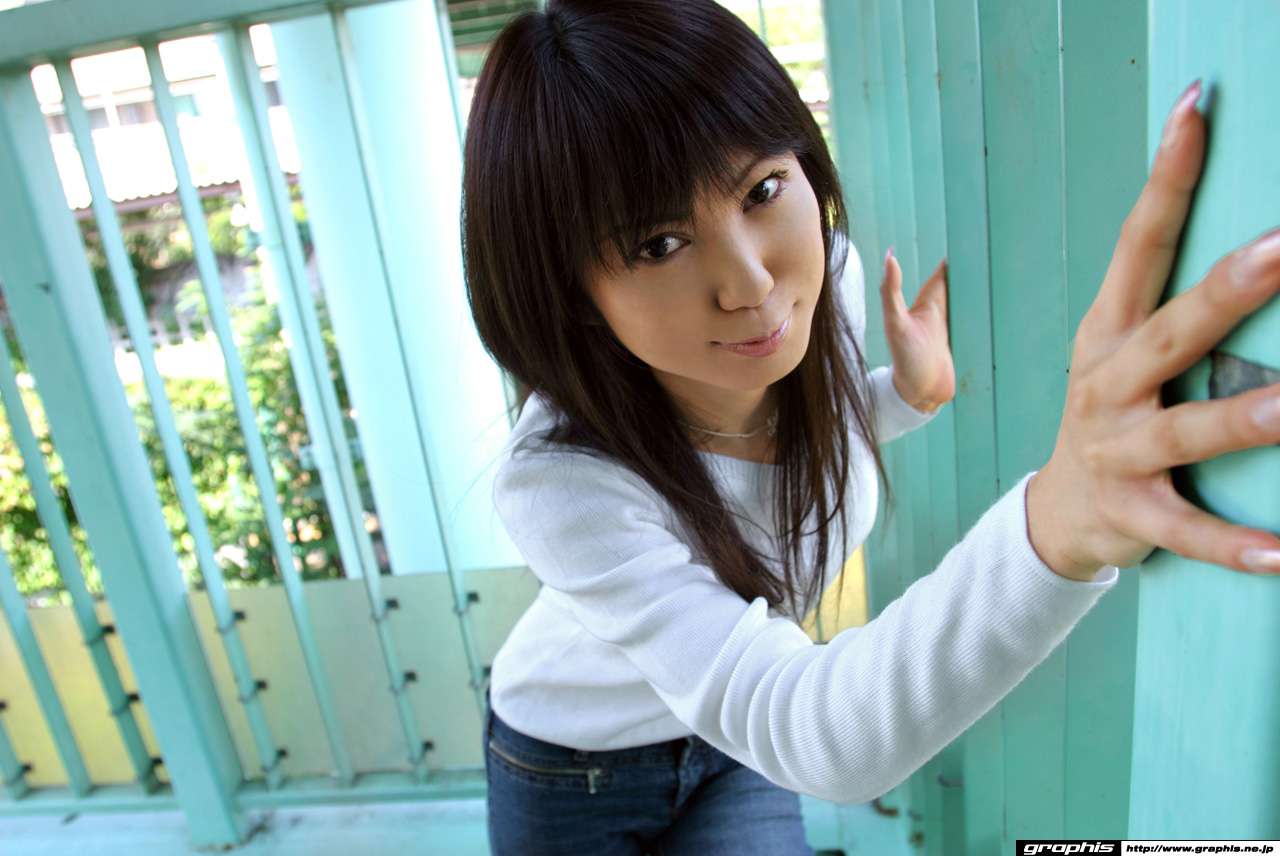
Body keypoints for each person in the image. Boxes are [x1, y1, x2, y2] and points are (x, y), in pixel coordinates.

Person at [460, 2, 1280, 853]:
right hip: (576, 765)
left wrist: (902, 397)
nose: (752, 284)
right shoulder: (562, 480)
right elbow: (810, 731)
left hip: (735, 736)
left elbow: (774, 450)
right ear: (569, 293)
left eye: (761, 190)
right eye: (659, 244)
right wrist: (1060, 525)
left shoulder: (827, 293)